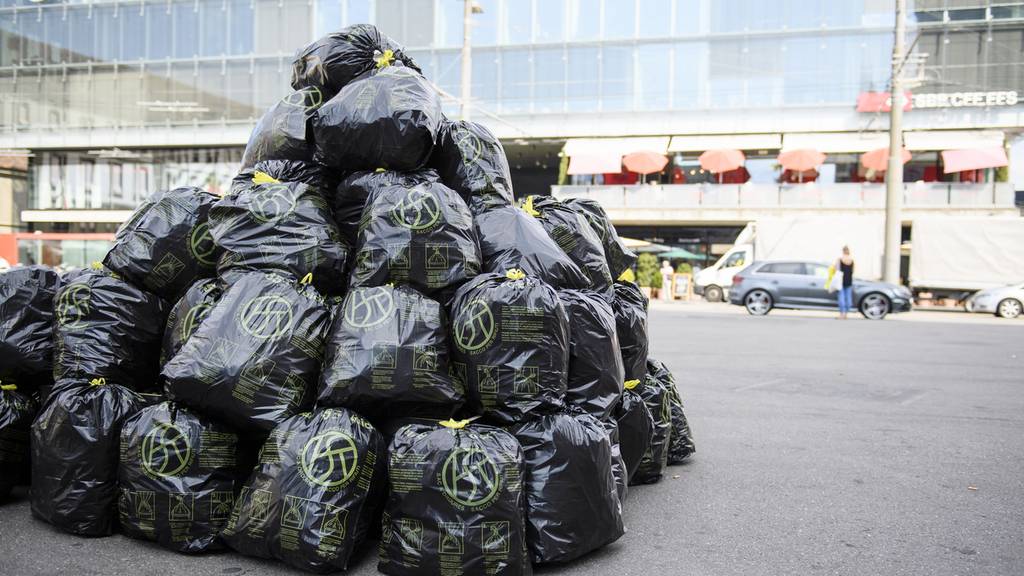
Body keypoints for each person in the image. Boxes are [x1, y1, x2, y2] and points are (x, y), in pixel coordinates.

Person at [829, 246, 855, 319]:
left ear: (843, 251)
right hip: (849, 281)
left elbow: (835, 270)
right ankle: (846, 313)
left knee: (841, 298)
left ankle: (842, 314)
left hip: (840, 281)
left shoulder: (840, 259)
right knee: (848, 299)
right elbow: (853, 271)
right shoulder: (852, 260)